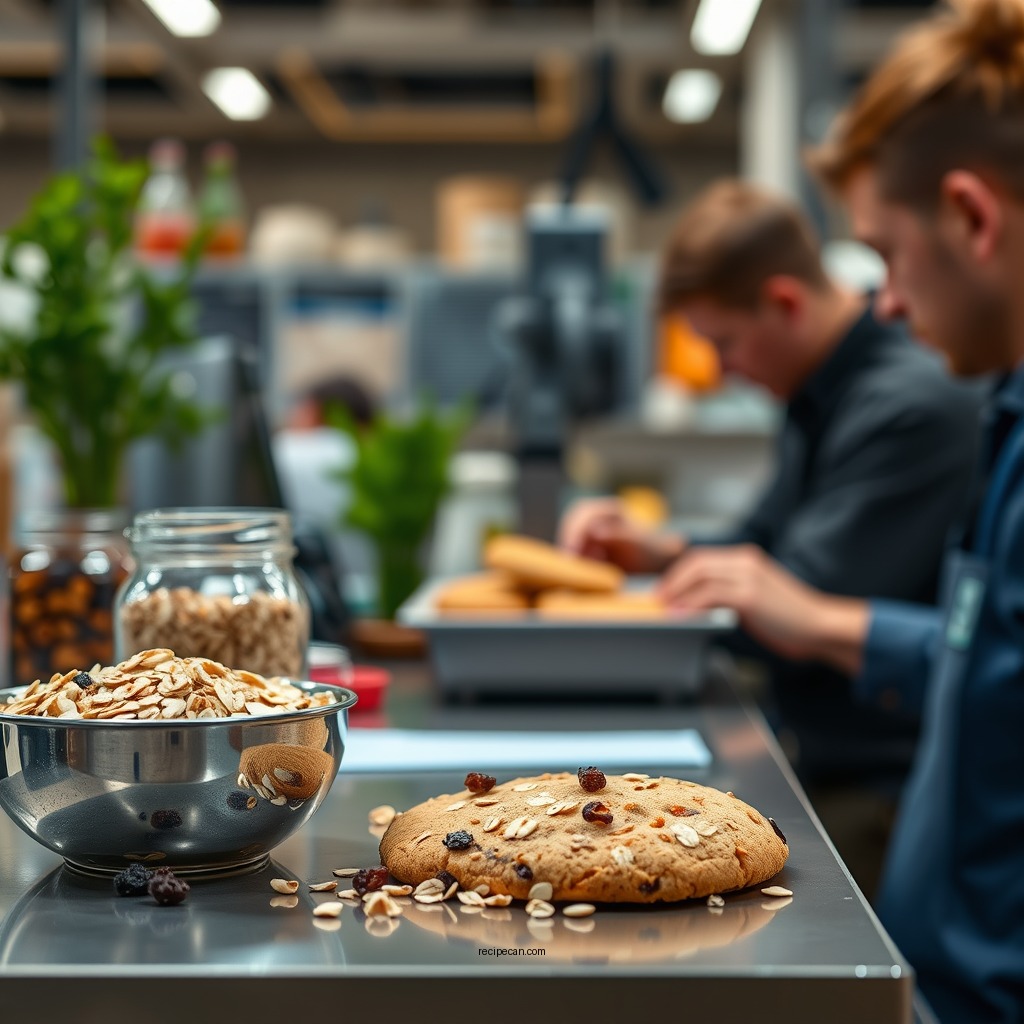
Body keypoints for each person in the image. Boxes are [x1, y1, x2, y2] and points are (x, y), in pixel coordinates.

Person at [652, 1, 1024, 1019]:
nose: (887, 302)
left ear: (972, 218)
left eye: (887, 251)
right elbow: (978, 656)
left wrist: (809, 617)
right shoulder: (1003, 415)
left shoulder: (927, 400)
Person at [561, 180, 982, 896]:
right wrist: (661, 548)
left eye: (724, 343)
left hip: (884, 785)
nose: (722, 371)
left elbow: (793, 600)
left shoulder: (910, 406)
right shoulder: (820, 391)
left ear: (785, 303)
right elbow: (761, 546)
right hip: (827, 752)